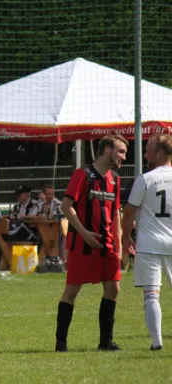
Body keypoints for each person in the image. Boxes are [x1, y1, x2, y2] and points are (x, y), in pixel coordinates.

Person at [55, 134, 127, 352]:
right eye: (120, 151)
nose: (123, 157)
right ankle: (61, 343)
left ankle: (106, 342)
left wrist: (120, 247)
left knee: (113, 290)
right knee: (72, 291)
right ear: (107, 150)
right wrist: (84, 232)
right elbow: (66, 206)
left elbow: (115, 214)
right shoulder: (83, 174)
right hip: (82, 245)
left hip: (108, 246)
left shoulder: (114, 178)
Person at [122, 134, 172, 351]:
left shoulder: (145, 179)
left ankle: (156, 342)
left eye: (149, 150)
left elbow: (129, 212)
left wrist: (125, 237)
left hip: (149, 244)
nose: (145, 154)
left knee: (151, 294)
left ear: (160, 153)